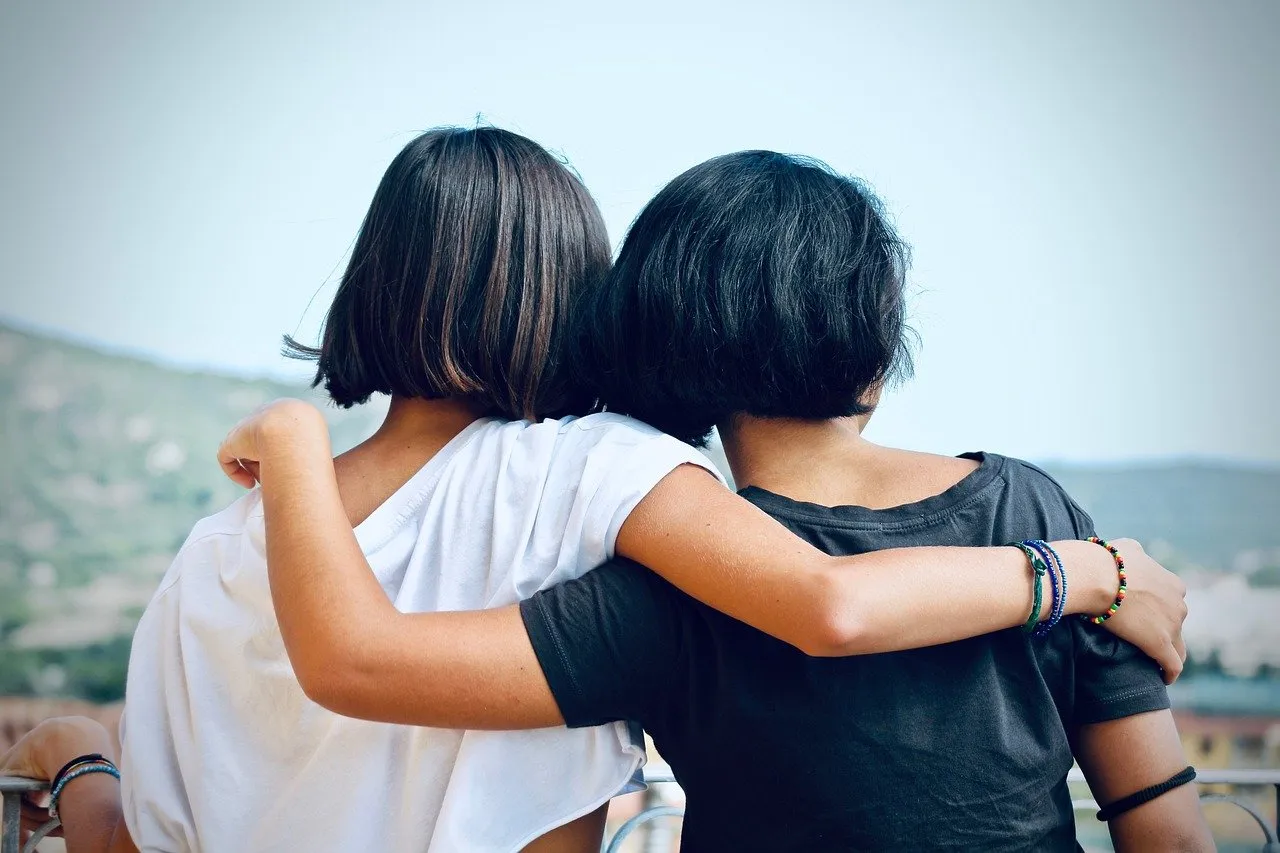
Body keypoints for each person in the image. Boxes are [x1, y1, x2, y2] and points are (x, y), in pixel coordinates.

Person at [1, 143, 1190, 853]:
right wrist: (1090, 570)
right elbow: (827, 598)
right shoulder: (594, 473)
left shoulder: (215, 551)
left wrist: (80, 765)